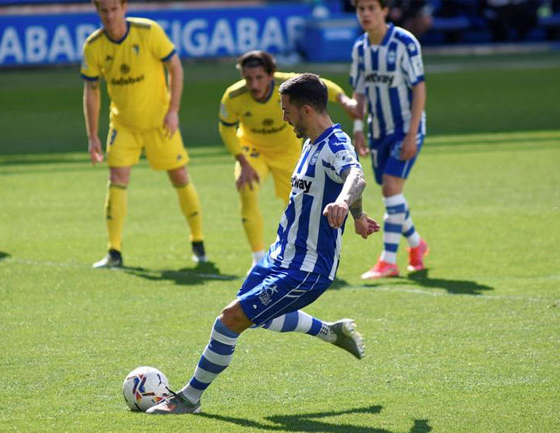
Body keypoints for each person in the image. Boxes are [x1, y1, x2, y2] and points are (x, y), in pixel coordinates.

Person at [146, 73, 381, 415]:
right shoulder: (311, 143)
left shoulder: (335, 145)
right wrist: (357, 216)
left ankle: (188, 399)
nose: (283, 117)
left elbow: (355, 176)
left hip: (306, 269)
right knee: (258, 317)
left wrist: (345, 203)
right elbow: (345, 180)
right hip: (279, 256)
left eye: (287, 111)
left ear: (306, 110)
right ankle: (331, 332)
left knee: (229, 320)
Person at [81, 0, 206, 268]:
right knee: (116, 178)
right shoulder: (93, 46)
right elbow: (91, 90)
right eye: (104, 10)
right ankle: (114, 251)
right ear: (97, 11)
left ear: (124, 8)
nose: (110, 16)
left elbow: (176, 67)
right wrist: (92, 135)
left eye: (114, 9)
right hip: (123, 125)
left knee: (179, 175)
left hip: (160, 123)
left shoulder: (148, 32)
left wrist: (173, 110)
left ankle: (198, 242)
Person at [219, 50, 360, 270]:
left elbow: (320, 85)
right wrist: (242, 162)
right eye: (248, 79)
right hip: (253, 150)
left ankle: (304, 255)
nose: (254, 84)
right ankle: (257, 258)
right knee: (247, 190)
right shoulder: (233, 96)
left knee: (300, 203)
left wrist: (344, 100)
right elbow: (226, 129)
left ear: (271, 75)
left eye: (259, 77)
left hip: (287, 152)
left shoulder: (287, 86)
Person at [349, 0, 429, 279]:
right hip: (378, 131)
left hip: (406, 127)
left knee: (391, 189)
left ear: (384, 11)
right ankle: (417, 245)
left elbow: (419, 88)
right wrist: (358, 128)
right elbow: (359, 92)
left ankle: (388, 261)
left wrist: (411, 134)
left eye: (371, 8)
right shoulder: (360, 48)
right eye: (361, 9)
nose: (366, 14)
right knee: (391, 193)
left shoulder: (405, 43)